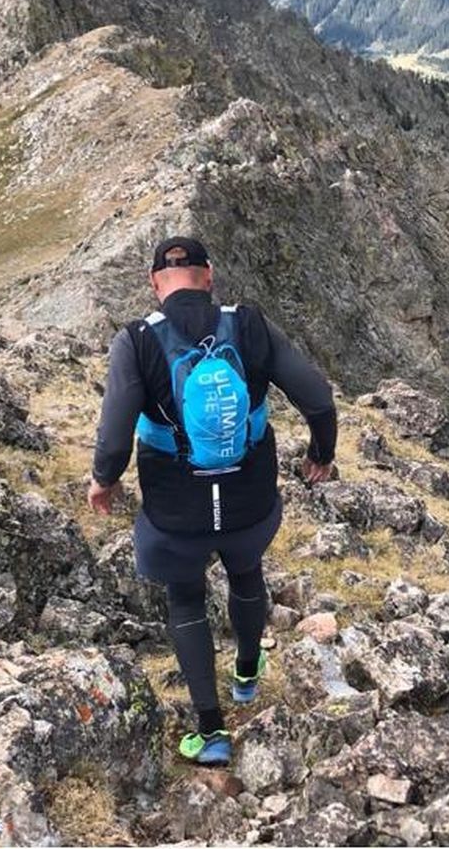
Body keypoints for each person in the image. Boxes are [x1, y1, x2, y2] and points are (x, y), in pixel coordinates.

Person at [87, 236, 337, 766]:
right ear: (210, 275)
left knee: (185, 599)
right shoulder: (248, 325)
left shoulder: (137, 340)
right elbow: (317, 398)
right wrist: (322, 453)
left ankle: (211, 732)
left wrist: (103, 480)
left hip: (177, 508)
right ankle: (246, 674)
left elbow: (114, 434)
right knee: (246, 573)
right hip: (249, 498)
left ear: (154, 284)